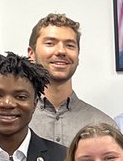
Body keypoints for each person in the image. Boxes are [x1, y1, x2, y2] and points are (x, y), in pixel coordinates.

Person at [27, 13, 114, 145]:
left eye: (70, 45)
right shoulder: (12, 121)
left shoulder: (103, 125)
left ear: (78, 56)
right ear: (31, 54)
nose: (61, 51)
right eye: (50, 43)